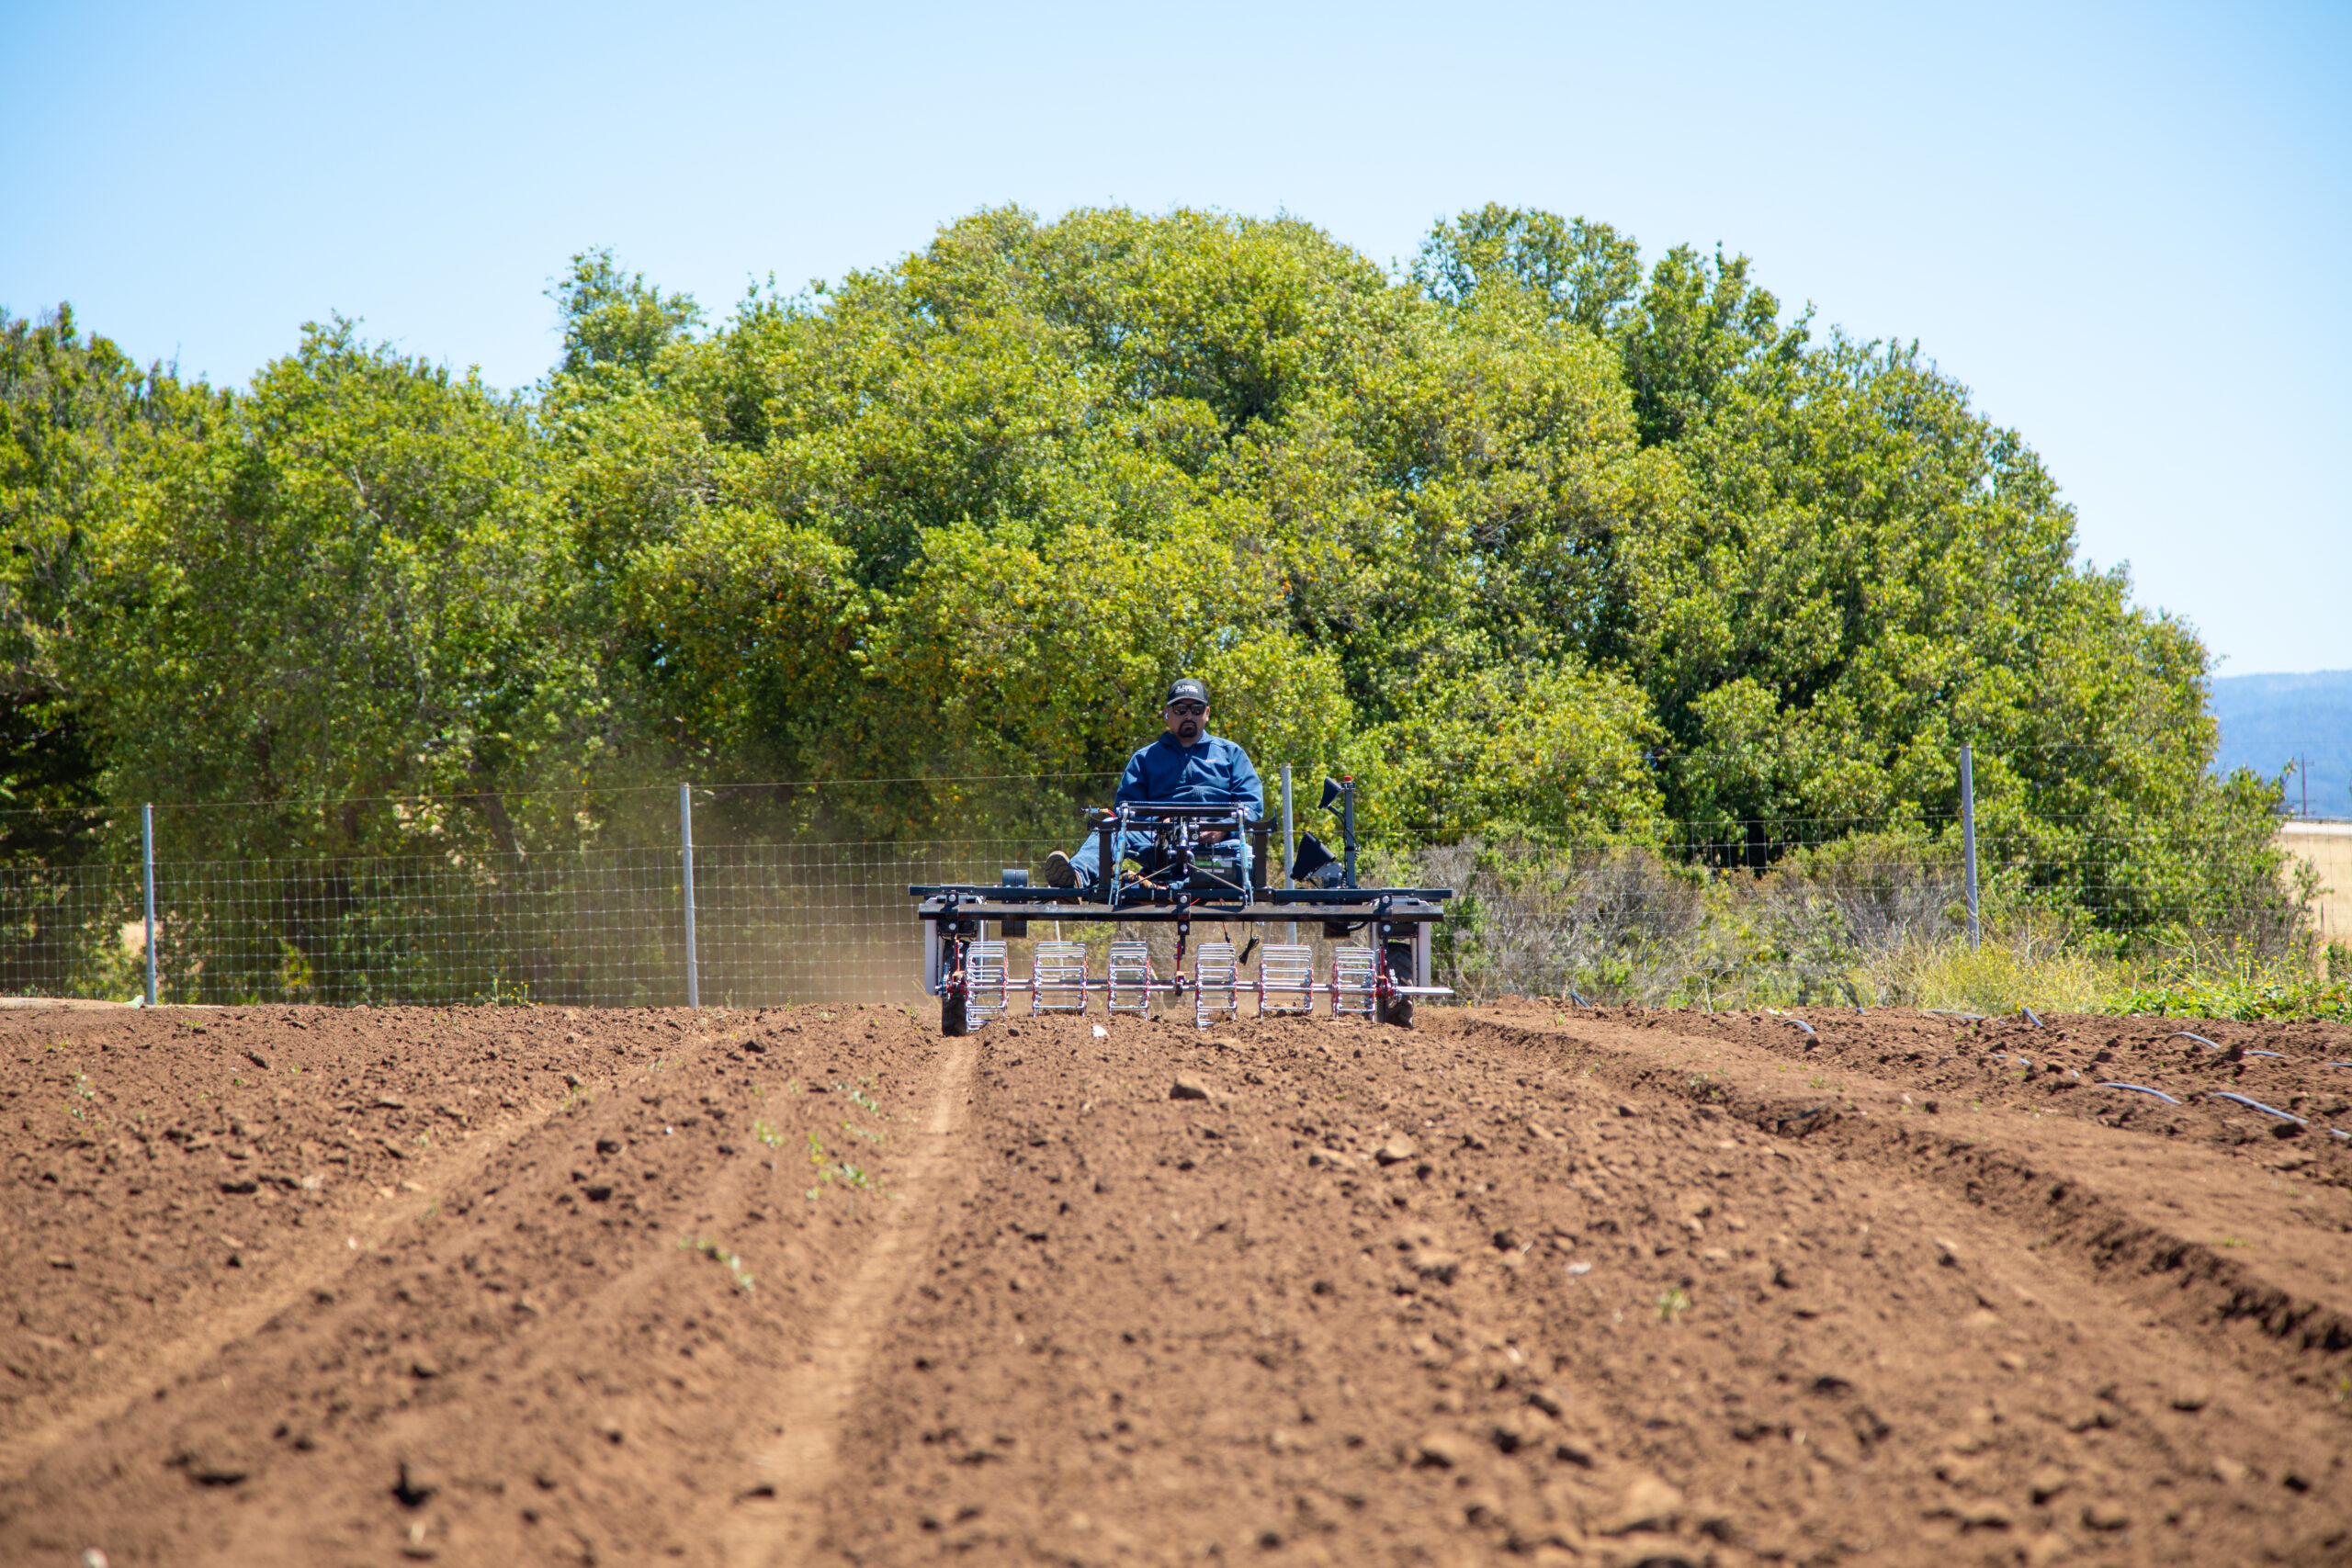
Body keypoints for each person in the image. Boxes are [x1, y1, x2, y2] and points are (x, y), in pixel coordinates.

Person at [1045, 677, 1264, 896]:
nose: (1188, 715)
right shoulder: (1145, 758)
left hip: (1217, 846)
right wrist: (1161, 824)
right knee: (1111, 826)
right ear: (1167, 713)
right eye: (1180, 708)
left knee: (1246, 854)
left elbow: (1252, 806)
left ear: (1207, 713)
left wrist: (1221, 830)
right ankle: (1074, 880)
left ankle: (1178, 883)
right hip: (1158, 844)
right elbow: (1126, 809)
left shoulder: (1231, 754)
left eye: (1196, 709)